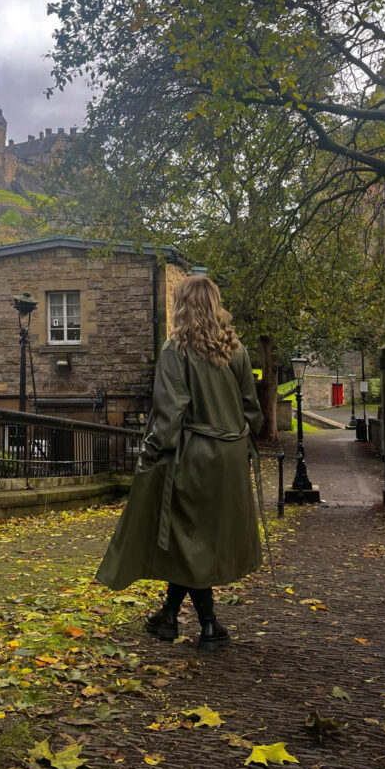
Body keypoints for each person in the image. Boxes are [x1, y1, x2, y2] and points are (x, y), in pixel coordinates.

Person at [96, 273, 263, 651]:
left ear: (182, 305)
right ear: (215, 304)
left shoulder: (175, 351)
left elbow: (170, 415)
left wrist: (150, 454)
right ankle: (170, 617)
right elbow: (253, 413)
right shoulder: (236, 350)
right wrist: (237, 442)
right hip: (229, 461)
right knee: (197, 542)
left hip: (191, 457)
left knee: (189, 541)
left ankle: (205, 623)